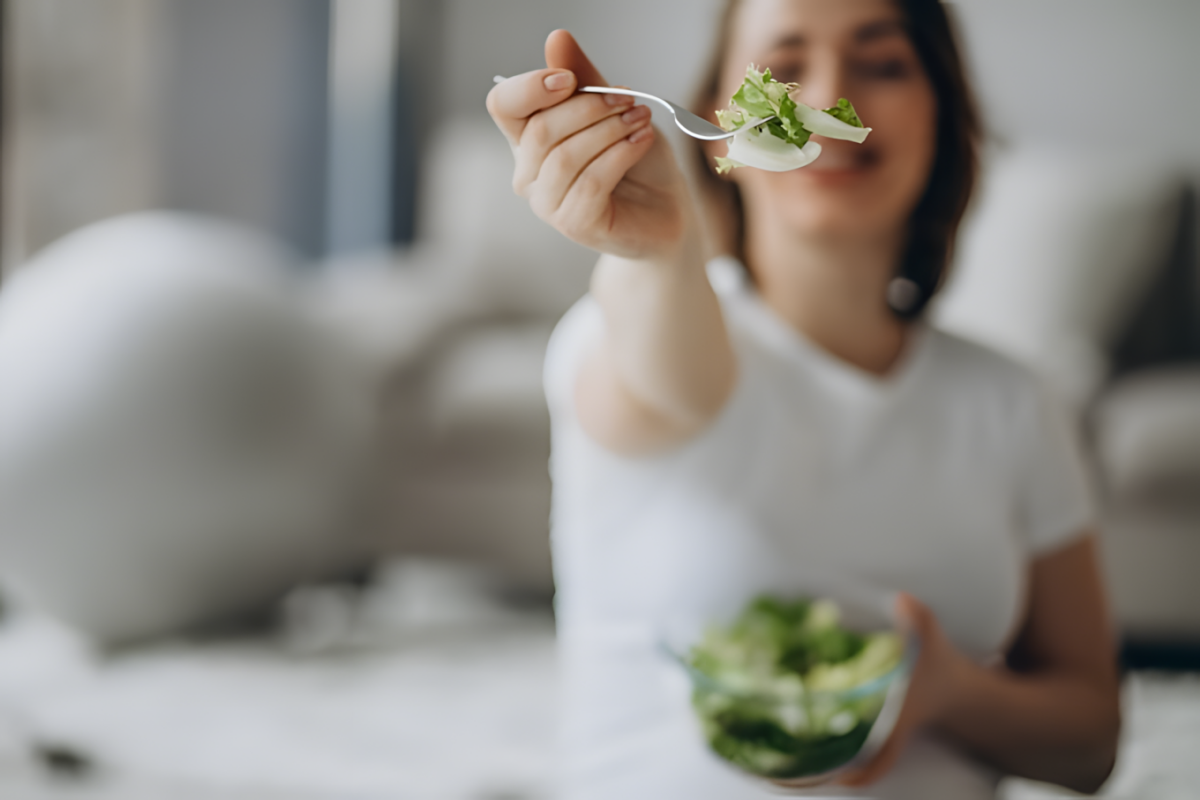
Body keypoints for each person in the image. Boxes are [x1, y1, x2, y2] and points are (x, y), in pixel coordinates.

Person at [487, 1, 1120, 797]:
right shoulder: (624, 332)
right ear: (719, 122)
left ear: (944, 111)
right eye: (784, 68)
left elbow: (1091, 742)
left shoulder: (1016, 402)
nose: (824, 96)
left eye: (883, 64)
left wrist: (951, 692)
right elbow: (676, 375)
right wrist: (657, 255)